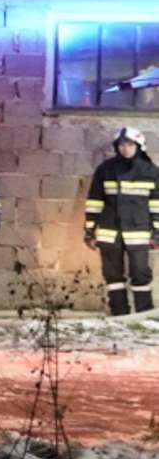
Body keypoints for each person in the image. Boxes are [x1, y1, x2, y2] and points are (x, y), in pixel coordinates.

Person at [85, 123, 159, 317]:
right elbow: (94, 201)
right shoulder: (106, 169)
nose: (125, 149)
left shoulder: (151, 171)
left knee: (141, 273)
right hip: (110, 231)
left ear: (139, 146)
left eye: (129, 145)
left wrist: (157, 232)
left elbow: (156, 205)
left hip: (139, 232)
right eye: (121, 145)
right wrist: (90, 230)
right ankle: (119, 314)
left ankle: (144, 314)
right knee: (113, 275)